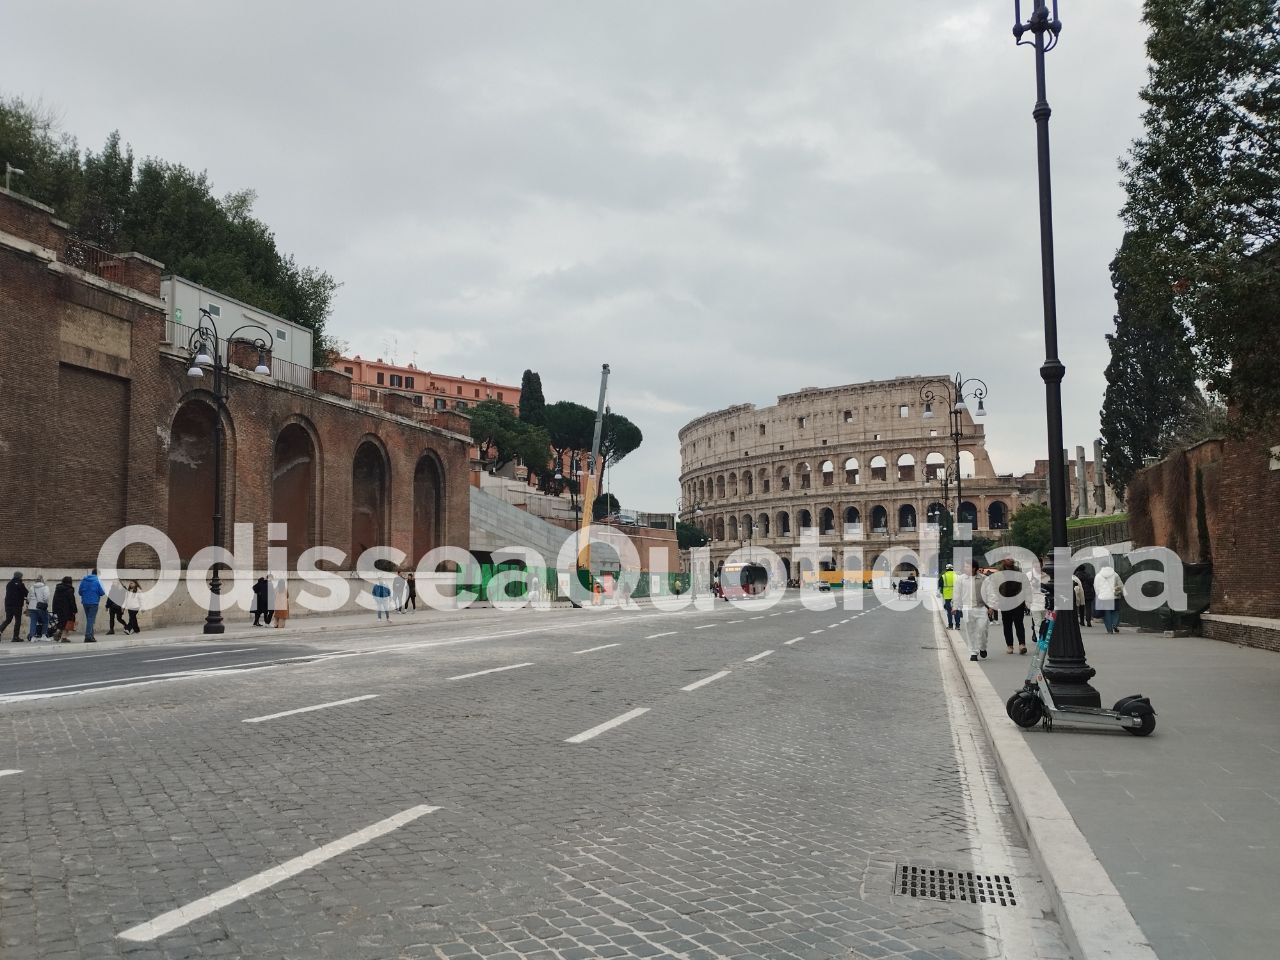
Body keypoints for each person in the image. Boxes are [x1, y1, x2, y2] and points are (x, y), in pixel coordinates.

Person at [955, 559, 990, 661]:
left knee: (982, 630)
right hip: (967, 608)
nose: (965, 568)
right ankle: (973, 652)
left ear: (974, 568)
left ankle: (983, 647)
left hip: (981, 608)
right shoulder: (961, 579)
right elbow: (957, 593)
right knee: (971, 631)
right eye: (965, 566)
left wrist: (991, 606)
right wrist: (955, 606)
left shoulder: (984, 579)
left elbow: (991, 592)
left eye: (967, 566)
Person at [997, 559, 1029, 655]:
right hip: (1005, 602)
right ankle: (1009, 646)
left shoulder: (1019, 572)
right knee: (1007, 625)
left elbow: (1026, 586)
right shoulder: (999, 574)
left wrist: (1027, 599)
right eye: (1007, 559)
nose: (1010, 560)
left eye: (1011, 558)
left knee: (1019, 623)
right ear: (1003, 561)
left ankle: (1022, 645)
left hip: (1018, 602)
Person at [77, 568, 106, 642]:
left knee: (89, 619)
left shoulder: (84, 580)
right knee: (91, 620)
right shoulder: (98, 581)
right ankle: (87, 636)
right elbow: (102, 592)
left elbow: (80, 592)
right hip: (93, 602)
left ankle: (91, 636)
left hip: (85, 602)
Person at [1094, 565, 1124, 634]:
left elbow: (1096, 587)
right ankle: (1114, 624)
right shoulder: (1115, 574)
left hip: (1104, 597)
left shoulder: (1098, 576)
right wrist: (1122, 592)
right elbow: (1120, 585)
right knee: (1115, 611)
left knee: (1106, 613)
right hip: (1114, 596)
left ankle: (1109, 630)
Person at [2, 571, 28, 641]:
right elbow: (26, 593)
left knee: (8, 620)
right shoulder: (21, 584)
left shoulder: (9, 584)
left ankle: (0, 630)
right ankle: (15, 637)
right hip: (17, 606)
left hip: (8, 605)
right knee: (18, 621)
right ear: (20, 577)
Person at [51, 576, 77, 643]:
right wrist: (75, 610)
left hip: (58, 609)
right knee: (68, 622)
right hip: (67, 610)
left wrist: (54, 610)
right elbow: (72, 601)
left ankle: (58, 631)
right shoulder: (69, 589)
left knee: (61, 622)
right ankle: (64, 638)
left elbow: (54, 600)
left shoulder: (58, 589)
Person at [27, 574, 50, 641]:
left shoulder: (32, 587)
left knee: (33, 622)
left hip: (31, 607)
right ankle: (43, 635)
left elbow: (28, 598)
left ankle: (32, 637)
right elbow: (46, 598)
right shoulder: (45, 587)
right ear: (42, 580)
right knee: (45, 620)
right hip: (41, 607)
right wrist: (44, 602)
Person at [940, 563, 959, 629]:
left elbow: (940, 586)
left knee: (949, 611)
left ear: (946, 569)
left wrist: (941, 592)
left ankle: (950, 625)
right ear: (952, 569)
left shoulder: (943, 576)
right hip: (956, 596)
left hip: (947, 596)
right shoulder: (957, 576)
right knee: (956, 610)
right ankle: (957, 626)